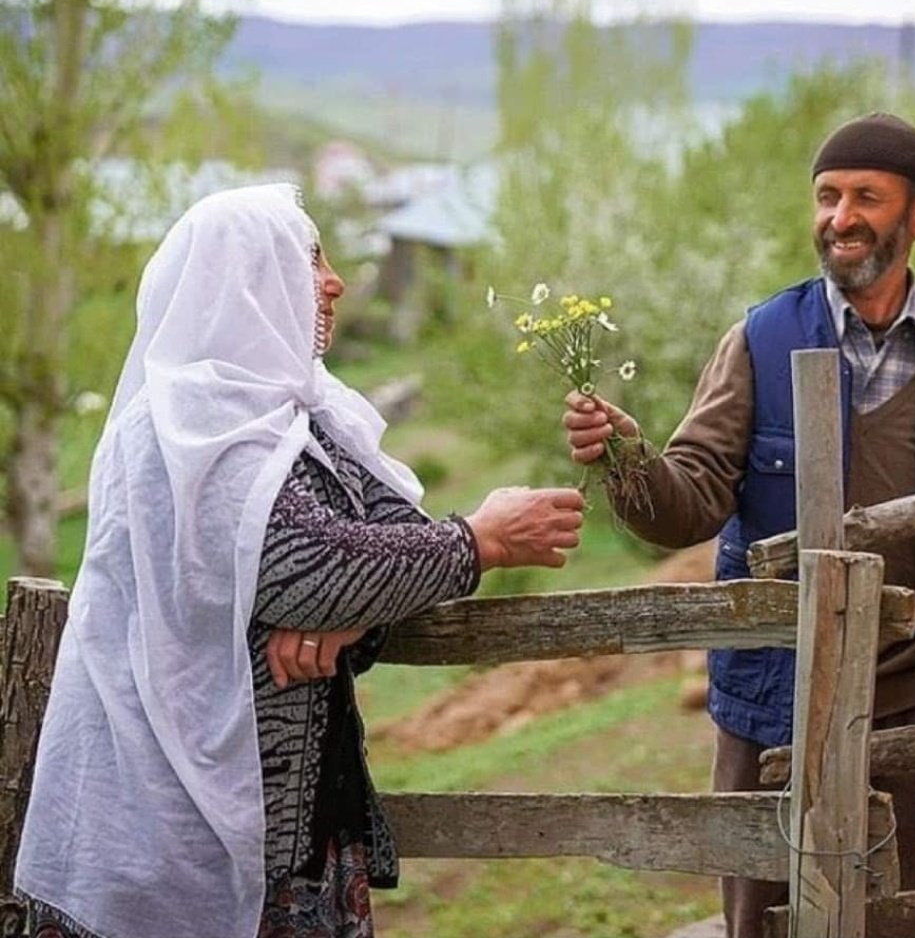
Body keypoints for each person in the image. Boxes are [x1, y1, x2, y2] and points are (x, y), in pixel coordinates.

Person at [15, 183, 585, 938]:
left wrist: (349, 620)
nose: (335, 279)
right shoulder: (180, 426)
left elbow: (381, 540)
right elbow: (303, 564)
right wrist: (479, 541)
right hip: (176, 814)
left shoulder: (299, 413)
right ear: (243, 279)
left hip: (296, 816)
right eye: (308, 257)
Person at [562, 113, 915, 938]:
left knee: (905, 920)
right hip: (773, 707)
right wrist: (626, 458)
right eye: (827, 196)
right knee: (762, 922)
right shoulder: (760, 339)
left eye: (867, 196)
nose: (840, 216)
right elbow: (689, 501)